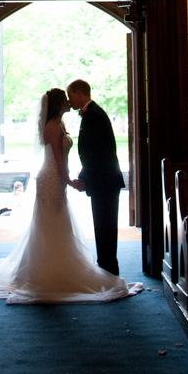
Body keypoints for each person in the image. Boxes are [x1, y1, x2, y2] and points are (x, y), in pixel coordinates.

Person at [0, 87, 141, 304]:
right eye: (65, 99)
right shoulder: (52, 126)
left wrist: (72, 179)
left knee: (59, 222)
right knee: (49, 223)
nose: (69, 102)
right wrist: (68, 179)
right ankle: (47, 271)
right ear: (59, 104)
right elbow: (58, 159)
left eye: (71, 97)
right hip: (51, 177)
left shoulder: (60, 124)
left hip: (58, 179)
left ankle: (63, 265)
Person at [66, 79, 124, 275]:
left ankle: (109, 270)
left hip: (104, 180)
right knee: (103, 226)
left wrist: (84, 178)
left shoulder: (94, 115)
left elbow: (97, 153)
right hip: (103, 180)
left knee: (106, 227)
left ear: (80, 93)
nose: (69, 100)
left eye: (71, 95)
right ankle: (106, 268)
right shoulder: (92, 114)